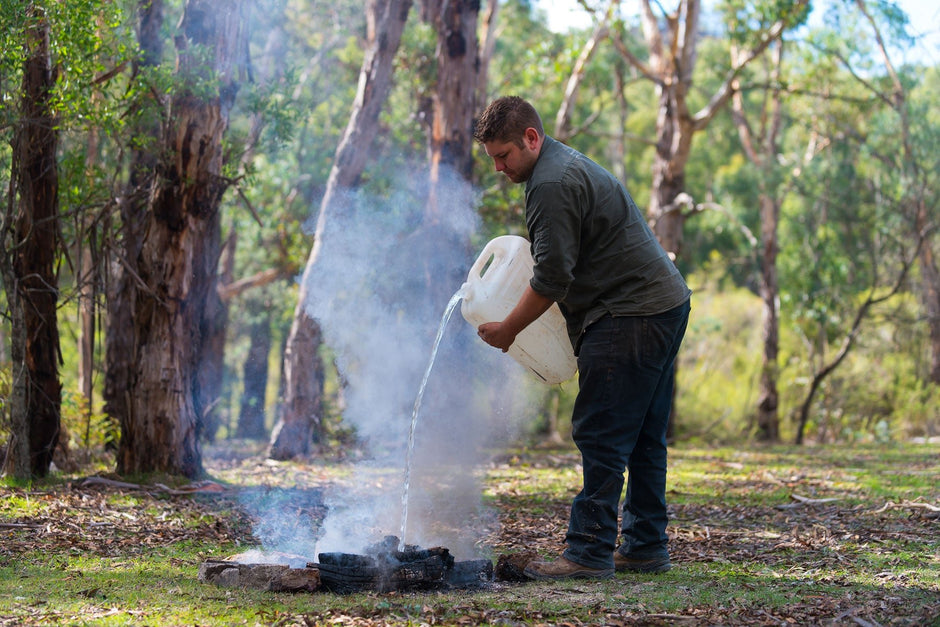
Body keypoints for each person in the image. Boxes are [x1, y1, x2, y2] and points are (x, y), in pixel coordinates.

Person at [472, 96, 691, 580]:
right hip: (665, 303)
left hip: (629, 312)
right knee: (643, 438)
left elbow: (552, 279)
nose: (499, 168)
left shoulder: (550, 183)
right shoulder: (557, 167)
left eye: (504, 155)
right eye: (493, 159)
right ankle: (645, 547)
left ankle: (588, 552)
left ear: (531, 138)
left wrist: (508, 330)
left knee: (602, 432)